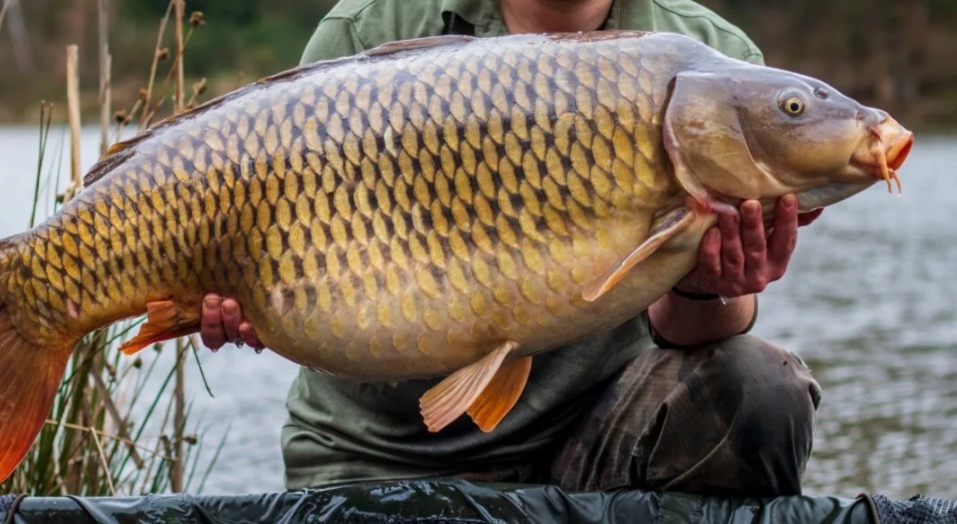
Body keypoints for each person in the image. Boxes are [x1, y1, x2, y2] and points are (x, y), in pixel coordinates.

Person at [199, 0, 824, 497]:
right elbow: (286, 263)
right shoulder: (369, 29)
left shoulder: (716, 64)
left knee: (761, 386)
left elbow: (691, 332)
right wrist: (258, 302)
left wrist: (708, 282)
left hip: (596, 436)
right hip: (376, 453)